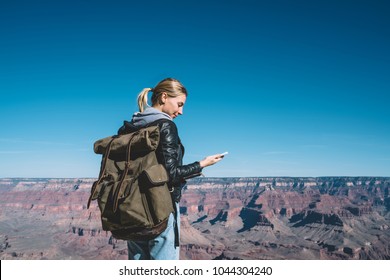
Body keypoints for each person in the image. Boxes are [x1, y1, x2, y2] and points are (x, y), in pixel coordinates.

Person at [117, 77, 225, 260]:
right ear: (164, 97)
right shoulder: (166, 125)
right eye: (179, 104)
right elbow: (171, 173)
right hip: (160, 207)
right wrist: (202, 164)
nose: (181, 111)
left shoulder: (130, 126)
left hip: (131, 208)